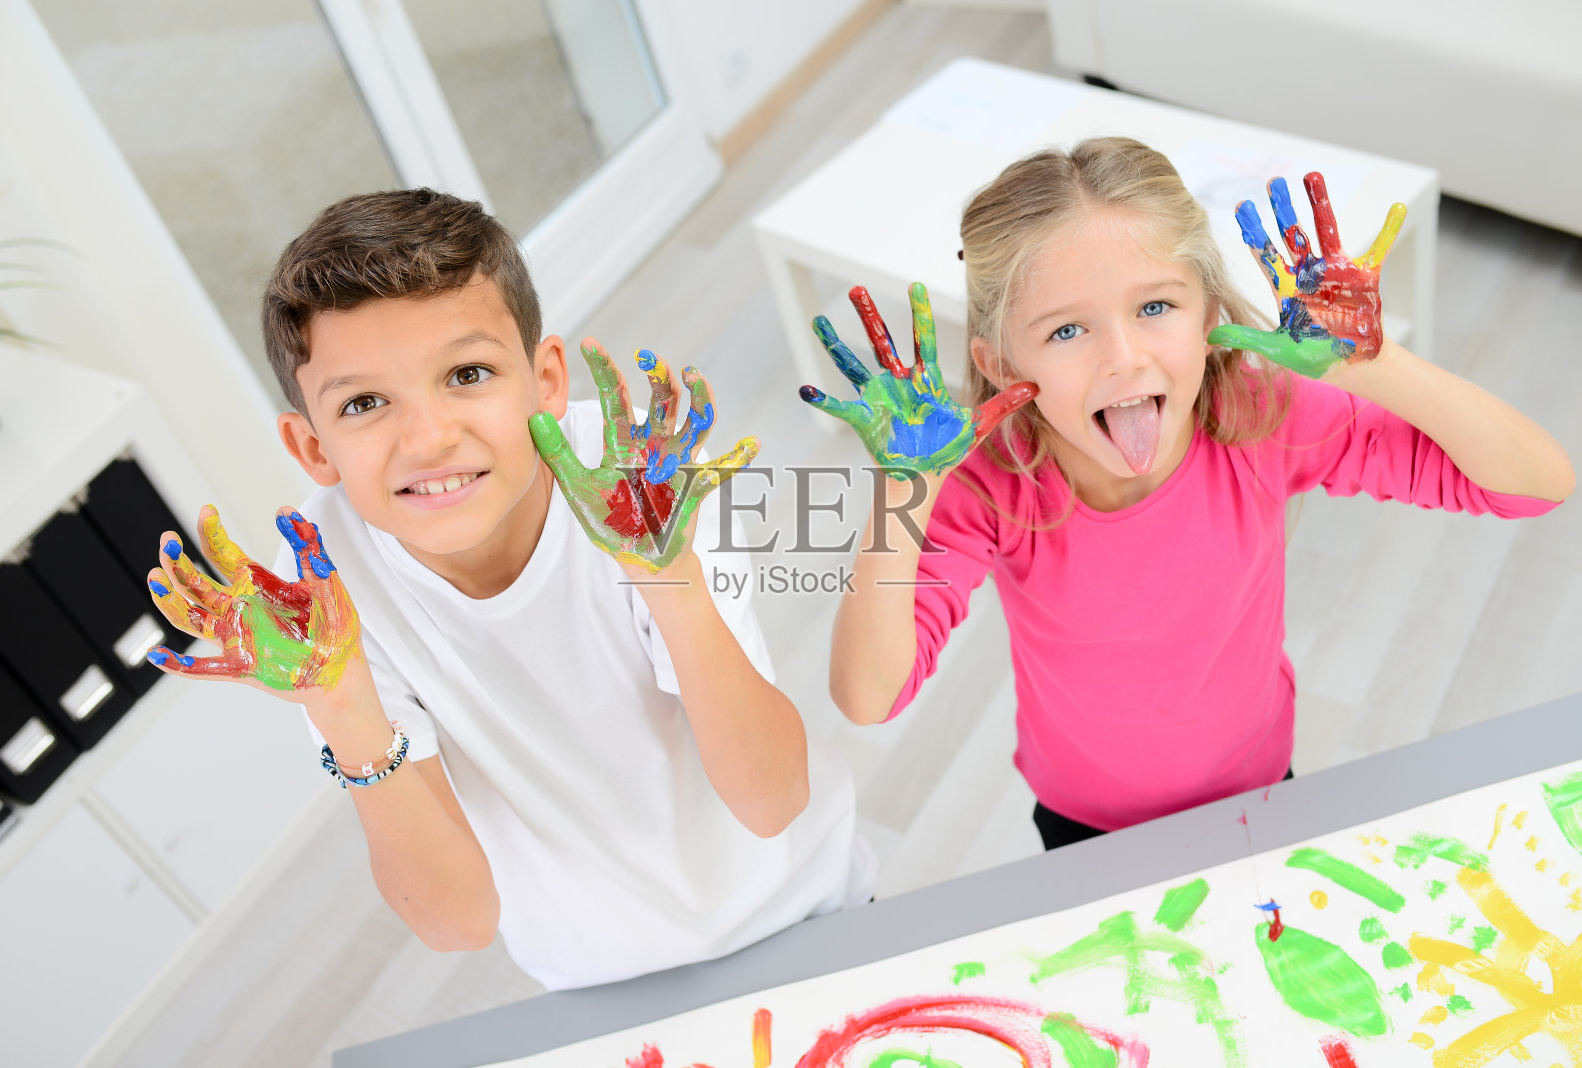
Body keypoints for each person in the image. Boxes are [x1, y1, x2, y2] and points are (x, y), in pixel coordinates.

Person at [142, 188, 872, 989]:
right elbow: (456, 923)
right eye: (364, 403)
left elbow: (773, 800)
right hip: (593, 978)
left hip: (805, 906)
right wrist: (342, 708)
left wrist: (668, 578)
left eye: (467, 373)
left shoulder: (640, 483)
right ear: (313, 448)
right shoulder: (323, 596)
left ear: (546, 379)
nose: (428, 438)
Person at [802, 137, 1574, 851]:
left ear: (1209, 314)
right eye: (1067, 331)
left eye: (1154, 307)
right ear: (1004, 365)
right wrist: (903, 493)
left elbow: (1538, 485)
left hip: (1260, 788)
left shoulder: (1261, 416)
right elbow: (868, 697)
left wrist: (1372, 365)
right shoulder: (991, 483)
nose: (1124, 358)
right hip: (1082, 820)